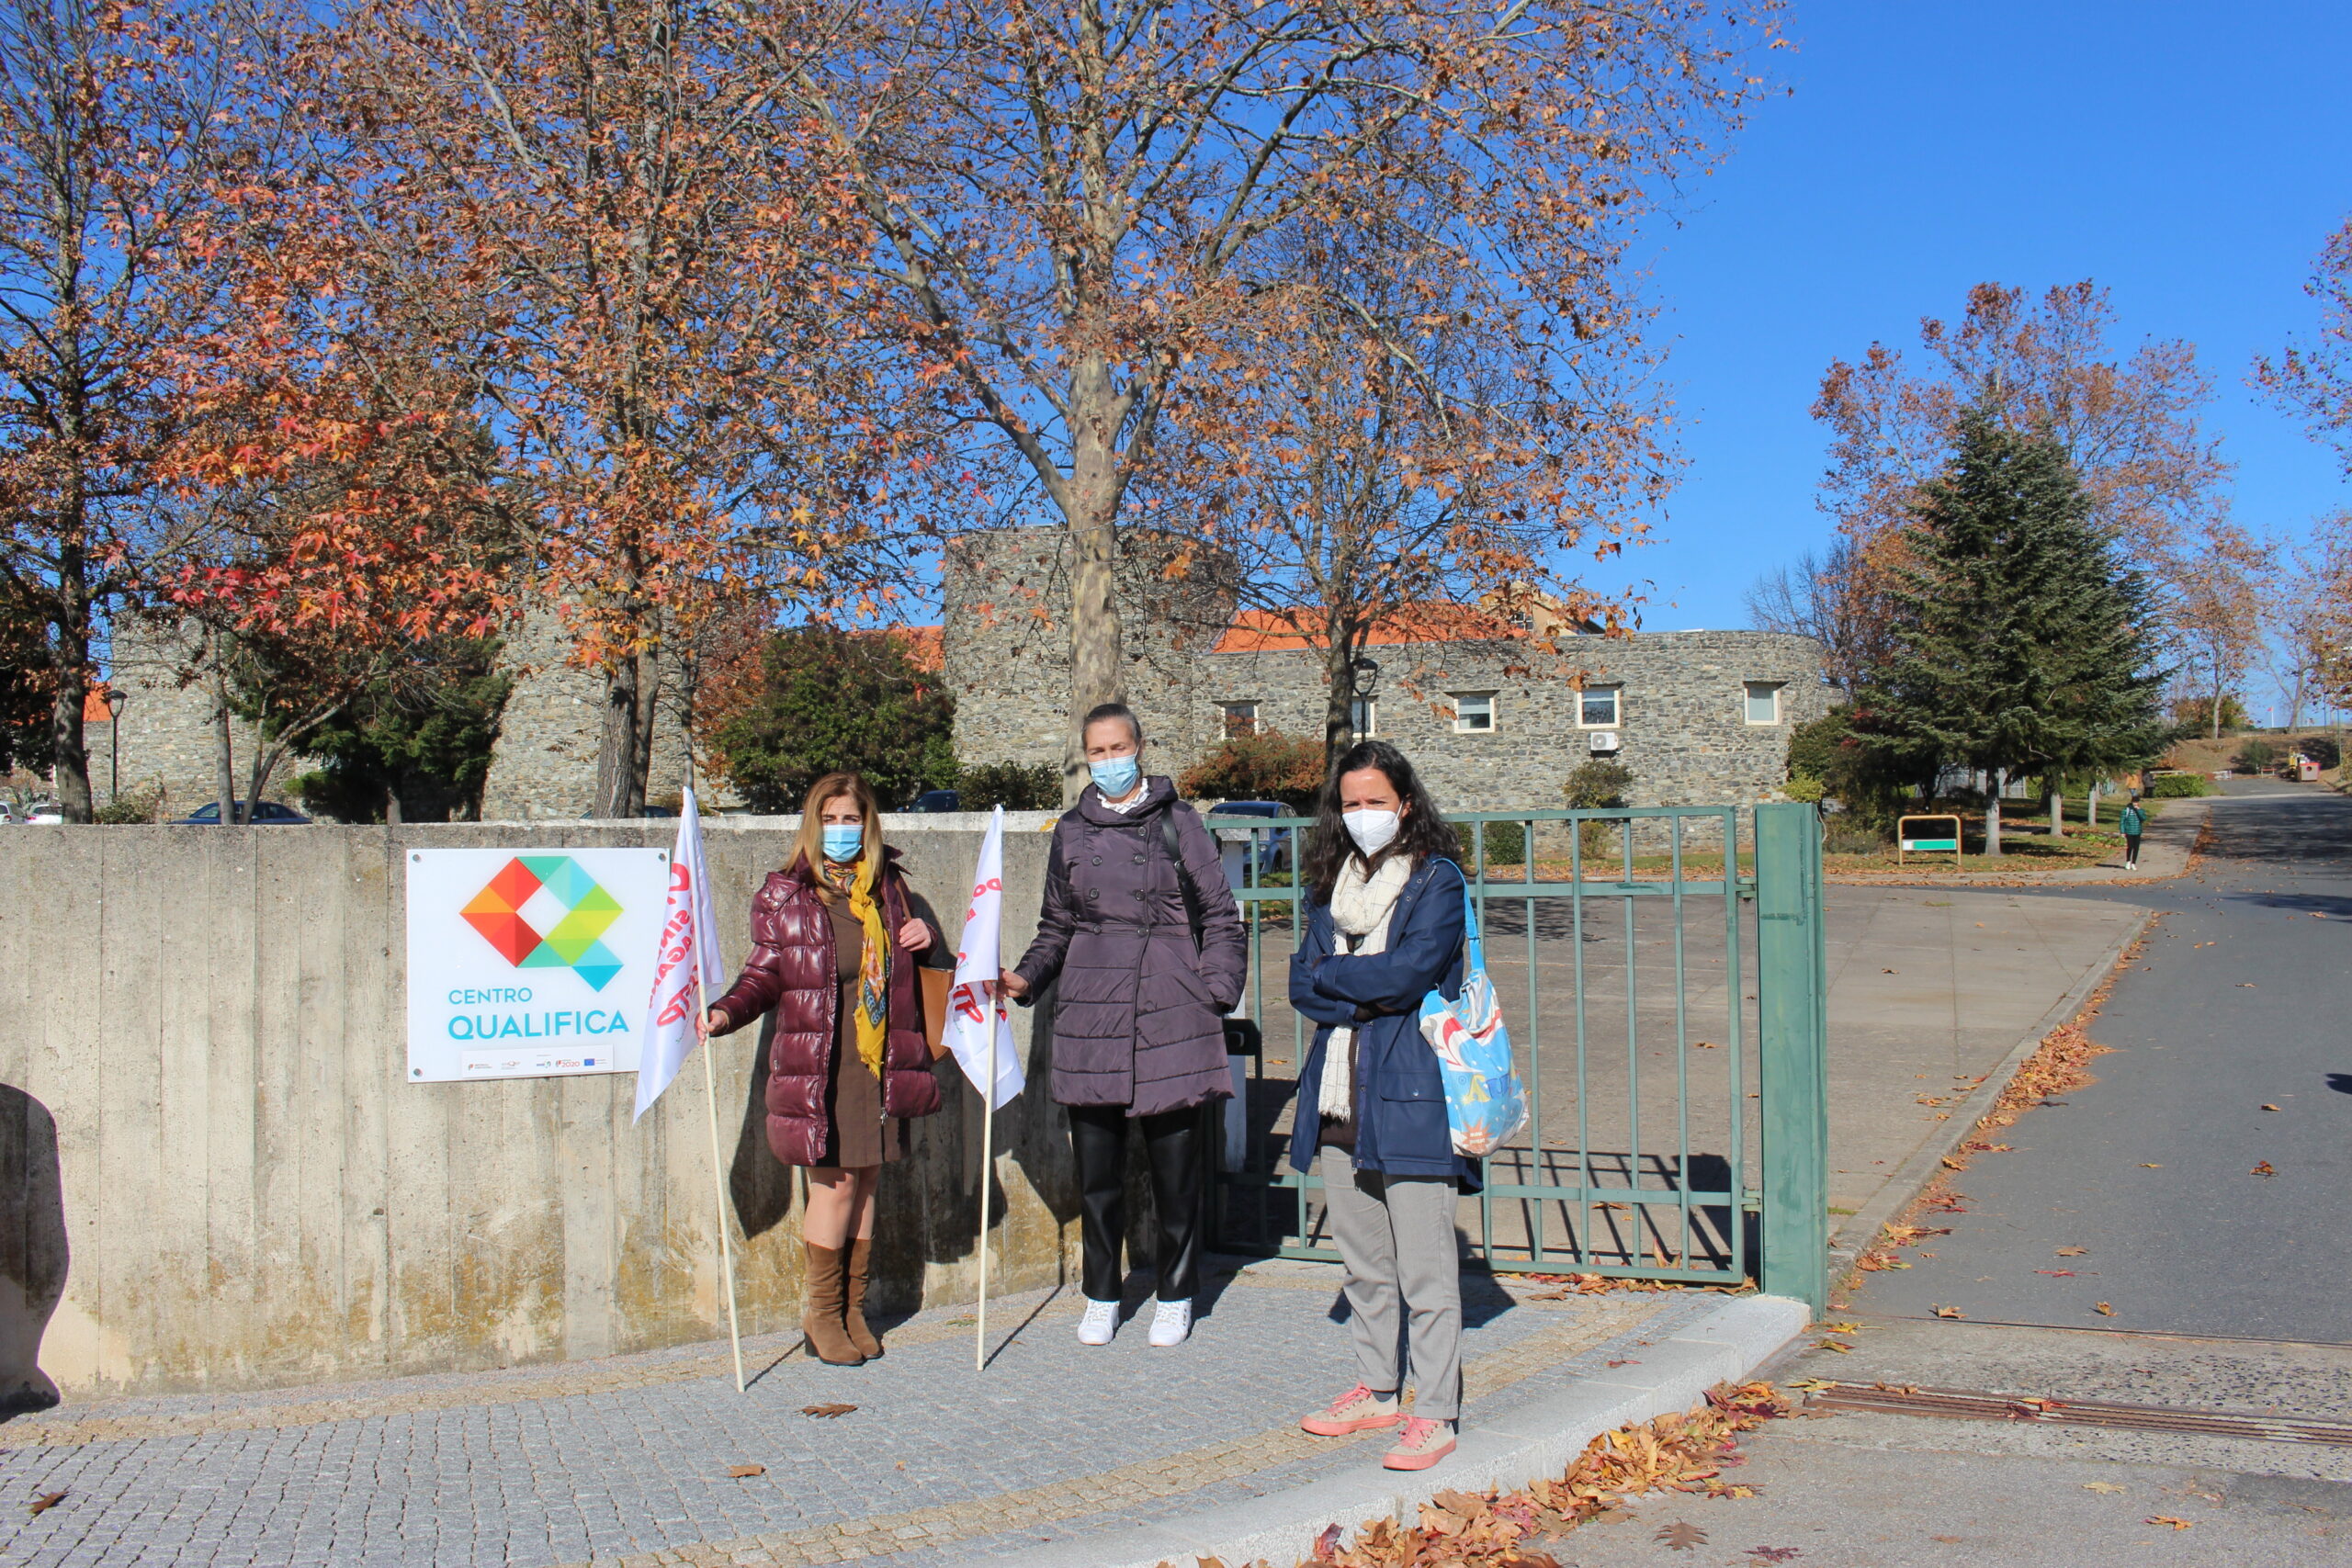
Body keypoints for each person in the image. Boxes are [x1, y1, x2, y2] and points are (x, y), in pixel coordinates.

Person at [999, 702, 1245, 1349]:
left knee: (1175, 1173)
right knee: (1099, 1177)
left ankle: (1176, 1291)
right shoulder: (1071, 832)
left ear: (1140, 746)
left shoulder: (1179, 822)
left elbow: (1220, 914)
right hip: (1089, 1010)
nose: (1109, 761)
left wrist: (1212, 992)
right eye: (1097, 752)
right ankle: (1102, 1291)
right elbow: (1057, 925)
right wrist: (1025, 978)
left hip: (1172, 1010)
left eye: (1118, 747)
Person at [700, 772, 947, 1366]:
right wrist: (722, 1013)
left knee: (866, 1186)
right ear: (814, 825)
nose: (841, 830)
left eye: (851, 819)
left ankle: (852, 1308)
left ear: (870, 824)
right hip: (822, 1065)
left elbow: (931, 969)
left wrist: (927, 937)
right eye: (830, 819)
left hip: (879, 1063)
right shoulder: (787, 894)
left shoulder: (892, 890)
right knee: (833, 1187)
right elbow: (763, 975)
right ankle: (820, 1311)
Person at [1286, 740, 1475, 1472]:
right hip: (1338, 1094)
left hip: (1411, 1091)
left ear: (1405, 802)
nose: (1364, 814)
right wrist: (1352, 977)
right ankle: (1378, 1386)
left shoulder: (1437, 881)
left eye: (1376, 800)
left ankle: (1436, 1411)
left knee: (1426, 1266)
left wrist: (1340, 975)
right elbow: (1302, 985)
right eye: (1351, 802)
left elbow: (1409, 974)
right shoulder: (1327, 887)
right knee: (1365, 1263)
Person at [2118, 794, 2145, 872]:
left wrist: (2138, 810)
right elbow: (2122, 822)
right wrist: (2122, 832)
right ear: (2132, 802)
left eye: (2136, 802)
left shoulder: (2141, 810)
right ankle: (2128, 861)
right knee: (2130, 846)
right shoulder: (2126, 810)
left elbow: (2143, 818)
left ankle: (2133, 863)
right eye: (2134, 802)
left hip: (2137, 831)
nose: (2135, 804)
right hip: (2129, 831)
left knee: (2136, 847)